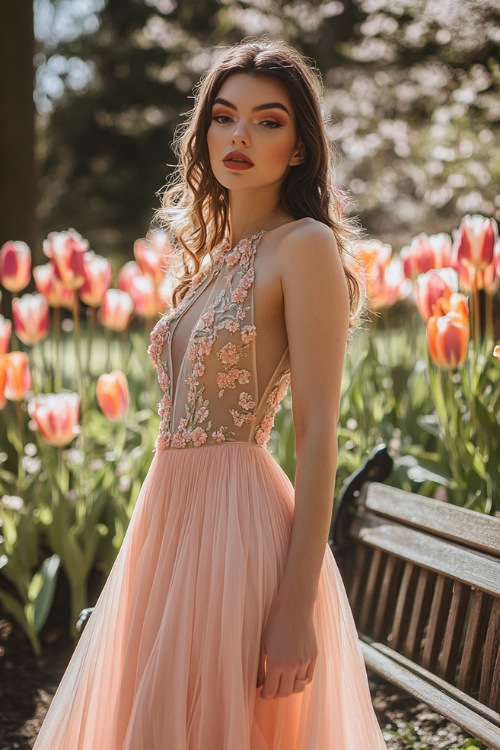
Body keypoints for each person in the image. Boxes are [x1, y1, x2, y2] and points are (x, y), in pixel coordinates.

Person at [33, 39, 387, 749]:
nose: (240, 136)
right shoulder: (211, 261)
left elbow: (320, 429)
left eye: (268, 120)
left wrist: (296, 608)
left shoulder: (305, 245)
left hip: (239, 528)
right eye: (225, 118)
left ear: (298, 147)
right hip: (168, 521)